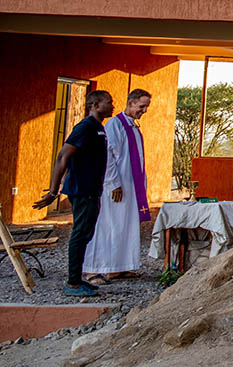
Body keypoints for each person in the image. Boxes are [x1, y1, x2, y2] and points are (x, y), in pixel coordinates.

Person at [31, 90, 114, 297]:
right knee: (80, 234)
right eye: (108, 102)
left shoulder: (98, 129)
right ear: (94, 105)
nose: (112, 106)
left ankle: (77, 279)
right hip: (83, 189)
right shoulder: (84, 128)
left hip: (92, 189)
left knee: (85, 233)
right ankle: (73, 283)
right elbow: (62, 157)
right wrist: (53, 190)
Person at [83, 89, 153, 284]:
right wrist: (114, 183)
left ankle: (118, 268)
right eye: (141, 106)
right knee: (107, 226)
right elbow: (108, 155)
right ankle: (93, 269)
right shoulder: (115, 125)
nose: (144, 110)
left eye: (146, 106)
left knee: (125, 227)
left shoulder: (134, 127)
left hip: (130, 187)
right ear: (130, 103)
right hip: (116, 187)